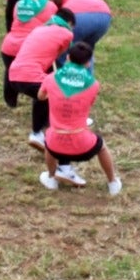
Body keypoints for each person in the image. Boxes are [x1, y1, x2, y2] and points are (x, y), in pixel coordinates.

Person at [37, 41, 123, 195]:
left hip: (55, 146)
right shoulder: (93, 85)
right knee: (101, 147)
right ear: (88, 62)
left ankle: (51, 179)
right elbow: (89, 103)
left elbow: (40, 96)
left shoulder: (51, 78)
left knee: (49, 136)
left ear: (68, 57)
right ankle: (112, 183)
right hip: (84, 146)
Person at [7, 9, 77, 151]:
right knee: (55, 93)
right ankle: (44, 132)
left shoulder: (38, 29)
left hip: (13, 75)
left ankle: (43, 131)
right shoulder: (67, 34)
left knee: (44, 94)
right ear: (69, 23)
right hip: (30, 75)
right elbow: (62, 58)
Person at [1, 0, 56, 107]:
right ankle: (41, 110)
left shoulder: (19, 4)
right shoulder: (50, 6)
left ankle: (11, 102)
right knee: (40, 81)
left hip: (9, 47)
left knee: (10, 72)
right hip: (29, 49)